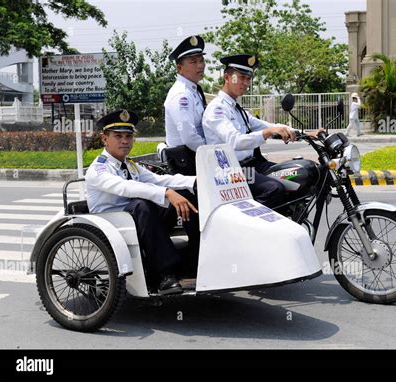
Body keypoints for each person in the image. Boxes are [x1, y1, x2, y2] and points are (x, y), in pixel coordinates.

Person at [85, 110, 200, 295]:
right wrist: (166, 193)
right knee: (142, 205)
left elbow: (159, 180)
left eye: (128, 136)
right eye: (118, 136)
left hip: (137, 220)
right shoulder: (98, 169)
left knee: (186, 197)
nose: (124, 141)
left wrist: (195, 181)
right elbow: (125, 188)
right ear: (104, 139)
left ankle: (196, 260)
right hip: (113, 223)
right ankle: (165, 275)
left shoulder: (130, 164)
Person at [203, 54, 301, 208]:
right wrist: (268, 132)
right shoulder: (217, 109)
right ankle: (252, 228)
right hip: (230, 171)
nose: (246, 83)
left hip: (252, 165)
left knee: (295, 175)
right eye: (241, 77)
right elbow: (235, 141)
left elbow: (265, 125)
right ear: (227, 77)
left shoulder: (237, 109)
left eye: (248, 79)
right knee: (274, 189)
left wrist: (308, 134)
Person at [164, 35, 207, 174]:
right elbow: (190, 138)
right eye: (193, 62)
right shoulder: (181, 95)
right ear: (179, 68)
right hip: (187, 165)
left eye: (201, 60)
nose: (200, 65)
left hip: (197, 158)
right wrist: (215, 154)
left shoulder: (194, 90)